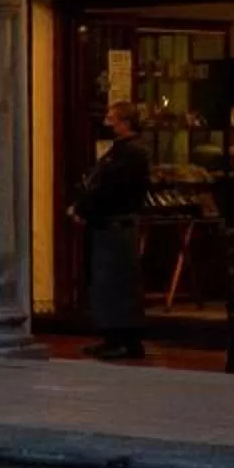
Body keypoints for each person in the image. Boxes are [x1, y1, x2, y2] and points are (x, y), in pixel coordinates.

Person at [73, 101, 152, 361]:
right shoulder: (122, 151)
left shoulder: (130, 154)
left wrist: (83, 208)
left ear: (125, 123)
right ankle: (112, 336)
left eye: (112, 118)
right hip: (108, 225)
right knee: (107, 283)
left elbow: (108, 188)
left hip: (116, 225)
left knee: (117, 282)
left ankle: (124, 339)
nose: (106, 122)